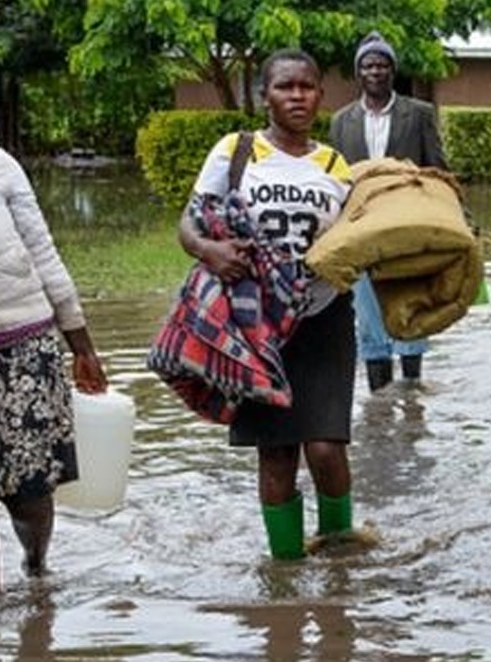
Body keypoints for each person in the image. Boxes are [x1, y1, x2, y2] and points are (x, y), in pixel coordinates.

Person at [179, 50, 355, 560]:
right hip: (255, 325)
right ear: (265, 96)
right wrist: (209, 250)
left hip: (323, 316)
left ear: (321, 95)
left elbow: (360, 236)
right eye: (285, 87)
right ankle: (286, 570)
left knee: (325, 447)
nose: (297, 96)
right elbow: (188, 223)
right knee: (276, 456)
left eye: (307, 87)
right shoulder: (236, 152)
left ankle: (340, 554)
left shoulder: (336, 166)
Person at [0, 78, 108, 602]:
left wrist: (80, 342)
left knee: (31, 494)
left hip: (28, 345)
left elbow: (42, 252)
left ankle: (36, 563)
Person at [329, 31, 448, 392]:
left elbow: (438, 170)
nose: (375, 71)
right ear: (358, 72)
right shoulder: (341, 121)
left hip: (409, 228)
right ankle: (380, 401)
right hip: (363, 229)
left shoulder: (420, 114)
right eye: (368, 65)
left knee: (409, 309)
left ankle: (412, 400)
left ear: (392, 71)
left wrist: (454, 220)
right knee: (368, 320)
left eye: (382, 65)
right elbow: (336, 180)